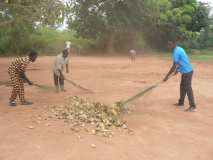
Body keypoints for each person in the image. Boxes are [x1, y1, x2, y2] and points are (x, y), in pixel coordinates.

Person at [163, 40, 197, 112]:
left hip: (187, 72)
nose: (168, 47)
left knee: (188, 88)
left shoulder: (176, 52)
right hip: (186, 71)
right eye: (168, 45)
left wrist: (167, 76)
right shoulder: (179, 49)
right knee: (182, 86)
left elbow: (174, 65)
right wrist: (177, 70)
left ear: (174, 44)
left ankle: (193, 106)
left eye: (169, 45)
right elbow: (181, 61)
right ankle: (181, 102)